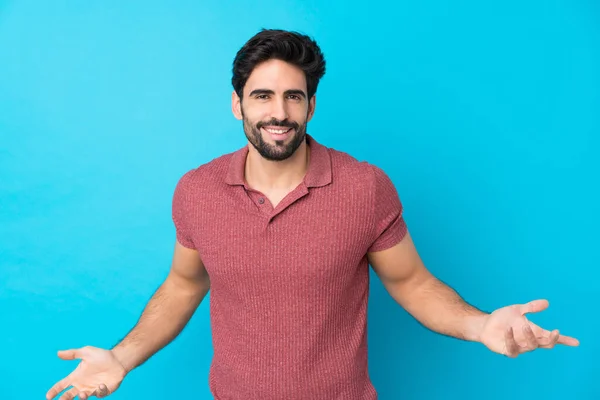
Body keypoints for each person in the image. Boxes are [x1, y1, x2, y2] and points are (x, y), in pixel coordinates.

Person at [46, 29, 580, 400]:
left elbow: (413, 283)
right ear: (238, 104)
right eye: (262, 96)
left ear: (311, 105)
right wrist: (121, 357)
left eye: (292, 97)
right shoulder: (197, 190)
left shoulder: (365, 187)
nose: (278, 113)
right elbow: (182, 287)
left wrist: (482, 324)